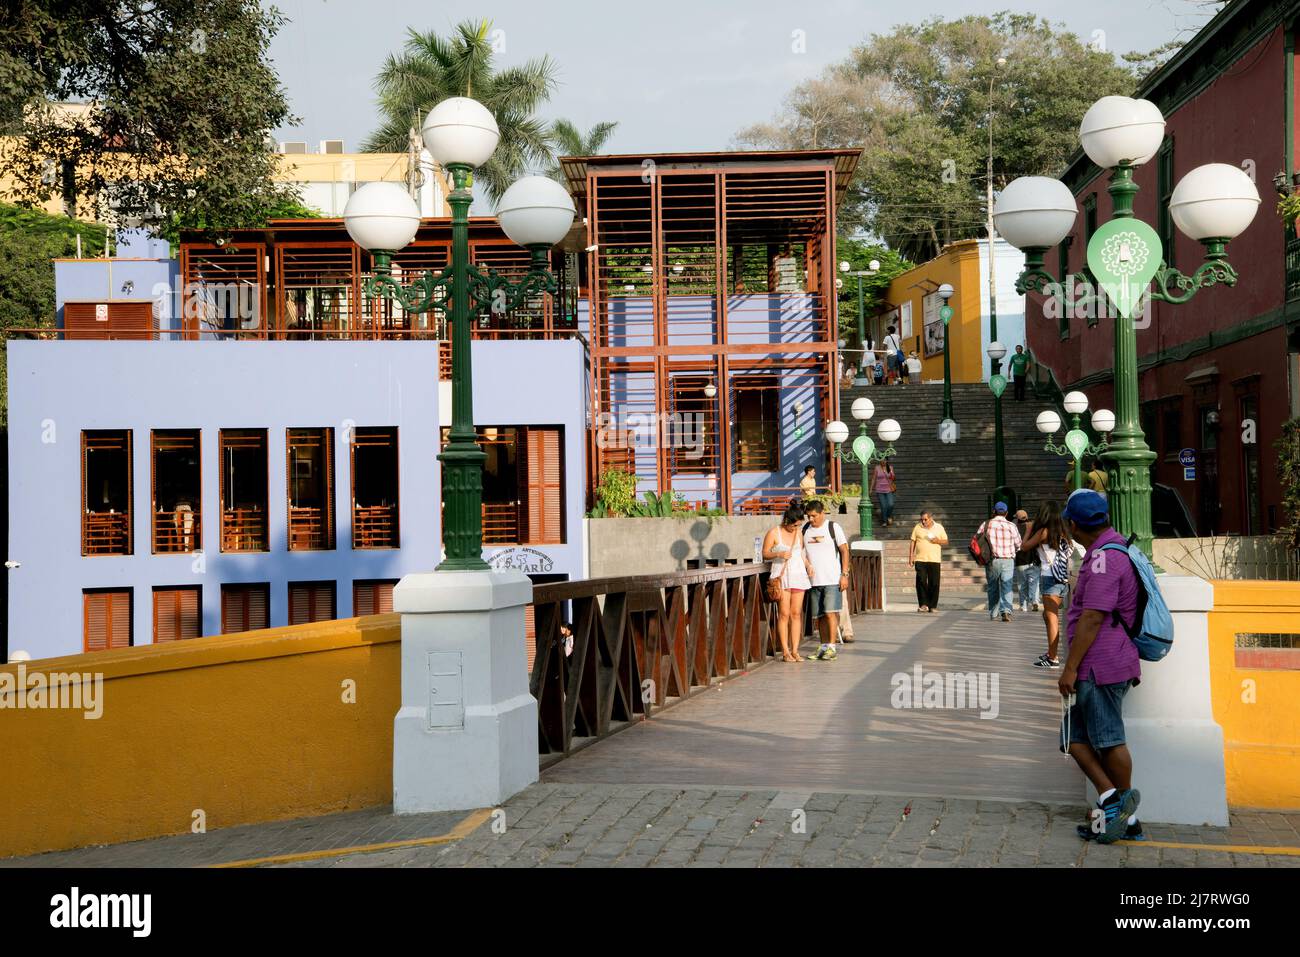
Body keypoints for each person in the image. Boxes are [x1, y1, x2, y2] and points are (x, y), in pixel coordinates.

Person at [1057, 490, 1144, 845]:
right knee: (1072, 737)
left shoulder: (1104, 559)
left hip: (1100, 665)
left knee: (1108, 740)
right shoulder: (1112, 547)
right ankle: (1115, 804)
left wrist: (1070, 668)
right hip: (1103, 662)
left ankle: (1123, 814)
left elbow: (1092, 618)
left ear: (1075, 525)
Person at [1020, 500, 1079, 668]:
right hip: (1062, 577)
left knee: (1052, 618)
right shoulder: (1064, 532)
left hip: (1050, 577)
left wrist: (1029, 530)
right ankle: (1051, 652)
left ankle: (1053, 658)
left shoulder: (1043, 532)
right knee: (1048, 616)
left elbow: (1024, 547)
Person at [763, 504, 813, 662]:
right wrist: (778, 553)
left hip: (799, 574)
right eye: (795, 524)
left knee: (796, 614)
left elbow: (801, 554)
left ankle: (795, 650)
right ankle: (785, 651)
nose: (797, 527)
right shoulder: (774, 532)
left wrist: (809, 565)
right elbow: (764, 553)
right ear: (787, 521)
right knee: (784, 613)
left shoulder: (798, 533)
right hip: (782, 576)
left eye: (799, 524)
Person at [801, 500, 850, 661]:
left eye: (814, 516)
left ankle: (832, 647)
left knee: (830, 613)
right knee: (819, 616)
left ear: (822, 513)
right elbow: (801, 551)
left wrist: (844, 574)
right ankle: (823, 647)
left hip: (832, 578)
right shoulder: (806, 529)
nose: (811, 519)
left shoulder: (833, 527)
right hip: (814, 580)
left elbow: (844, 551)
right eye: (808, 516)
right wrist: (807, 565)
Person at [977, 501, 1021, 622]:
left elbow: (977, 540)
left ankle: (993, 613)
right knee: (1007, 585)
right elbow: (1019, 544)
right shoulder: (1012, 526)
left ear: (994, 512)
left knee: (992, 586)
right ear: (1006, 513)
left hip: (992, 560)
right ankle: (1006, 611)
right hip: (1008, 560)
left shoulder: (986, 524)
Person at [909, 510, 948, 612]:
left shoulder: (939, 527)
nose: (923, 522)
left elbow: (946, 541)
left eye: (925, 519)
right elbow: (913, 541)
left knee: (934, 583)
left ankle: (933, 606)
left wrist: (937, 541)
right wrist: (911, 556)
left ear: (931, 518)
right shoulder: (917, 527)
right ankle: (923, 604)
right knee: (921, 581)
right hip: (920, 559)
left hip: (934, 559)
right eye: (922, 519)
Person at [1013, 508, 1040, 613]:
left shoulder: (1015, 529)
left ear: (1017, 519)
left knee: (1022, 584)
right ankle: (1035, 601)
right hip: (1034, 560)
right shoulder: (1034, 528)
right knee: (1035, 583)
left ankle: (1023, 606)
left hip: (1021, 561)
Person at [872, 460, 897, 527]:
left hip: (888, 489)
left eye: (885, 460)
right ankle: (884, 521)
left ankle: (888, 516)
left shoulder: (890, 467)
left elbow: (893, 478)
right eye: (882, 460)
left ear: (887, 461)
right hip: (879, 490)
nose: (883, 461)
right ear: (880, 461)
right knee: (883, 506)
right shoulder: (877, 468)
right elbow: (874, 478)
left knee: (891, 504)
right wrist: (871, 488)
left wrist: (891, 473)